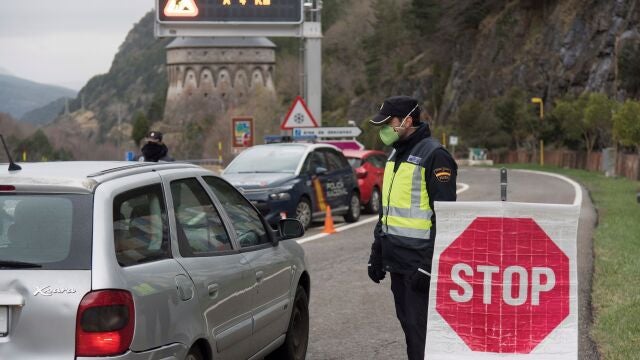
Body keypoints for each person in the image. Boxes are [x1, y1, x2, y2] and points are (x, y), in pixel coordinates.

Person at [366, 95, 457, 360]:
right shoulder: (394, 155)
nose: (383, 129)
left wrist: (429, 265)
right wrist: (377, 252)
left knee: (423, 338)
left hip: (419, 266)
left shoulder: (435, 156)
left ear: (408, 120)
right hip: (397, 263)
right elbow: (387, 211)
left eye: (388, 123)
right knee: (410, 332)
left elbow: (446, 218)